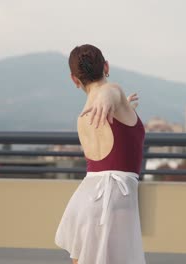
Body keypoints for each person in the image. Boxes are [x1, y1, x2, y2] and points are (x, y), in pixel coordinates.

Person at [54, 44, 147, 264]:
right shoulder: (112, 92)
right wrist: (108, 96)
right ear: (106, 66)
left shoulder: (82, 118)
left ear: (74, 79)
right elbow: (109, 92)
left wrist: (124, 108)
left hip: (85, 201)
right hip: (113, 200)